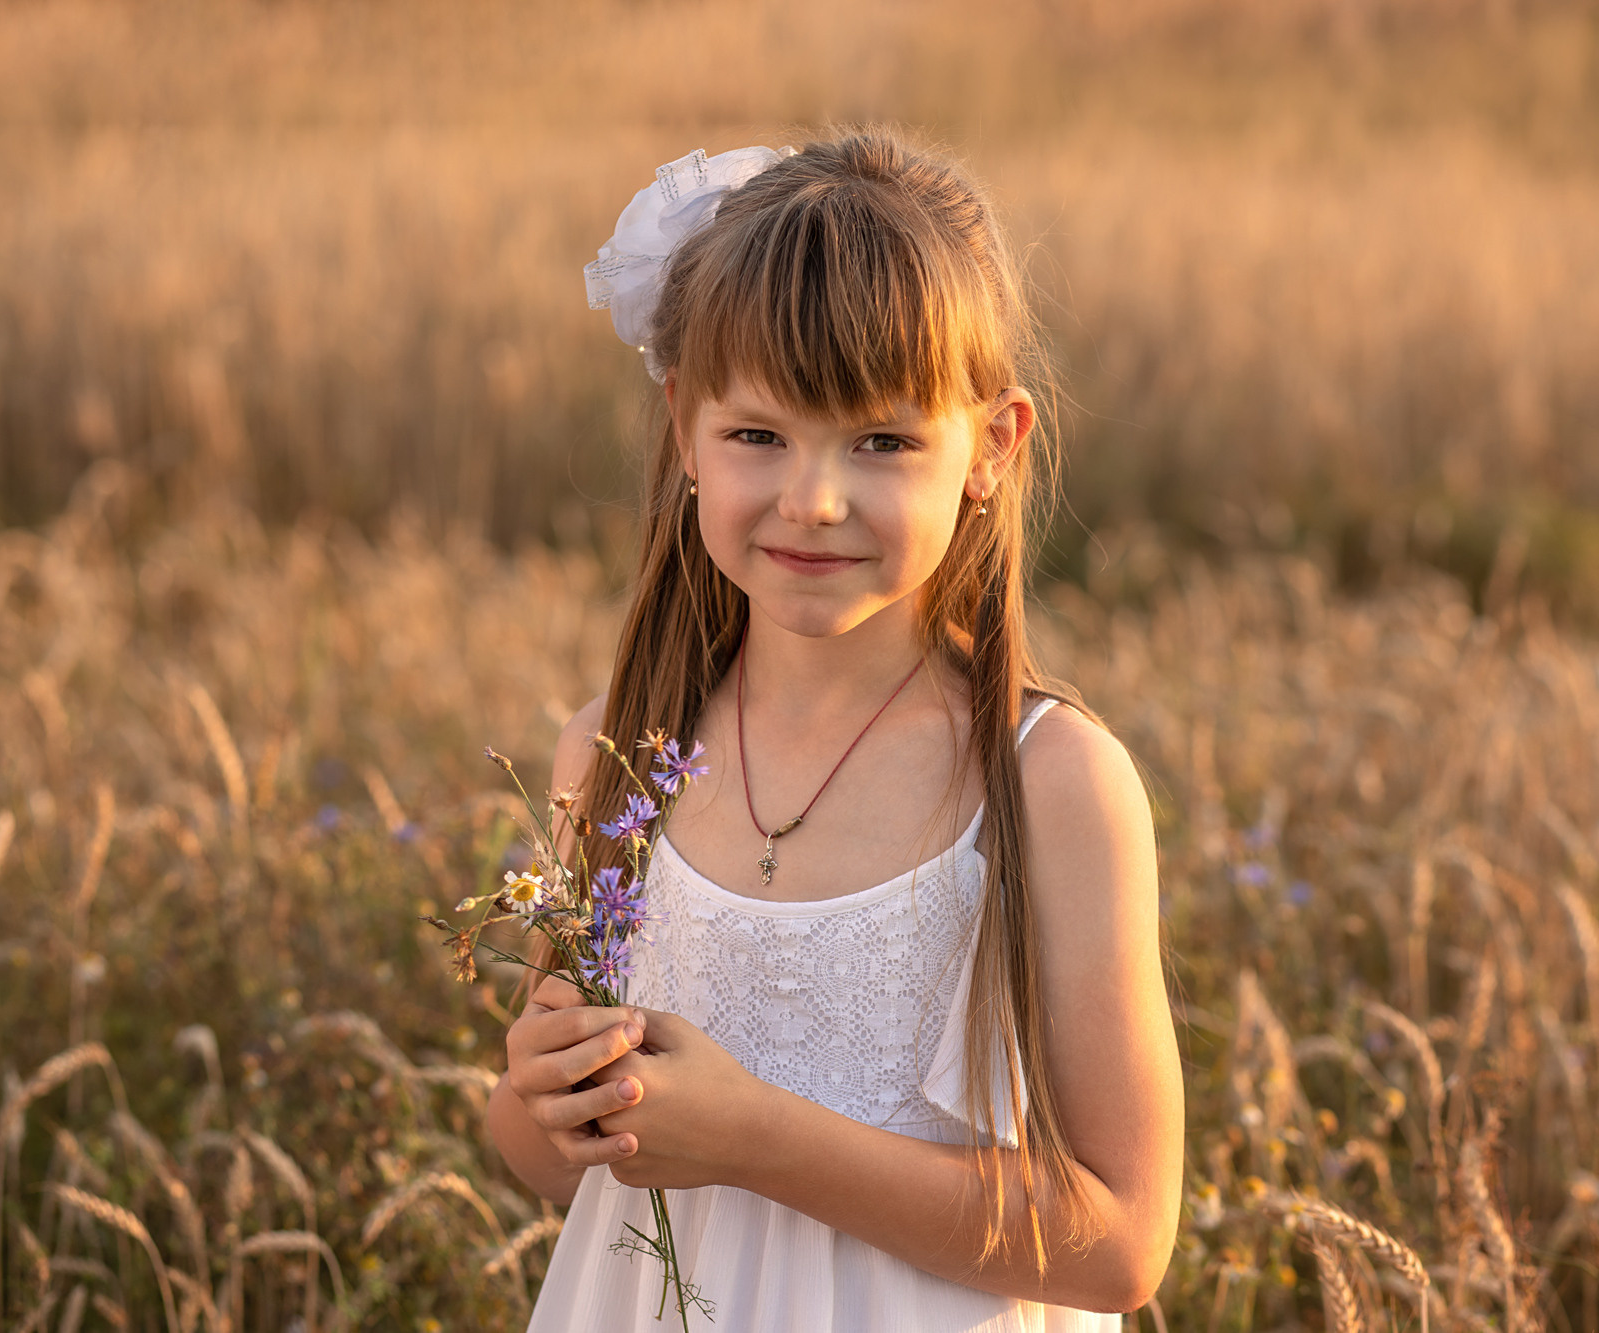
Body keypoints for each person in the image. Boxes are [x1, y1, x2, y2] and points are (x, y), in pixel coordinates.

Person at [484, 129, 1183, 1332]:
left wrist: (757, 1138)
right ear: (683, 429)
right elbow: (547, 1166)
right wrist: (537, 1101)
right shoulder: (612, 756)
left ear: (989, 449)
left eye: (881, 442)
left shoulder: (1048, 781)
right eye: (758, 434)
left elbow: (1119, 1240)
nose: (812, 497)